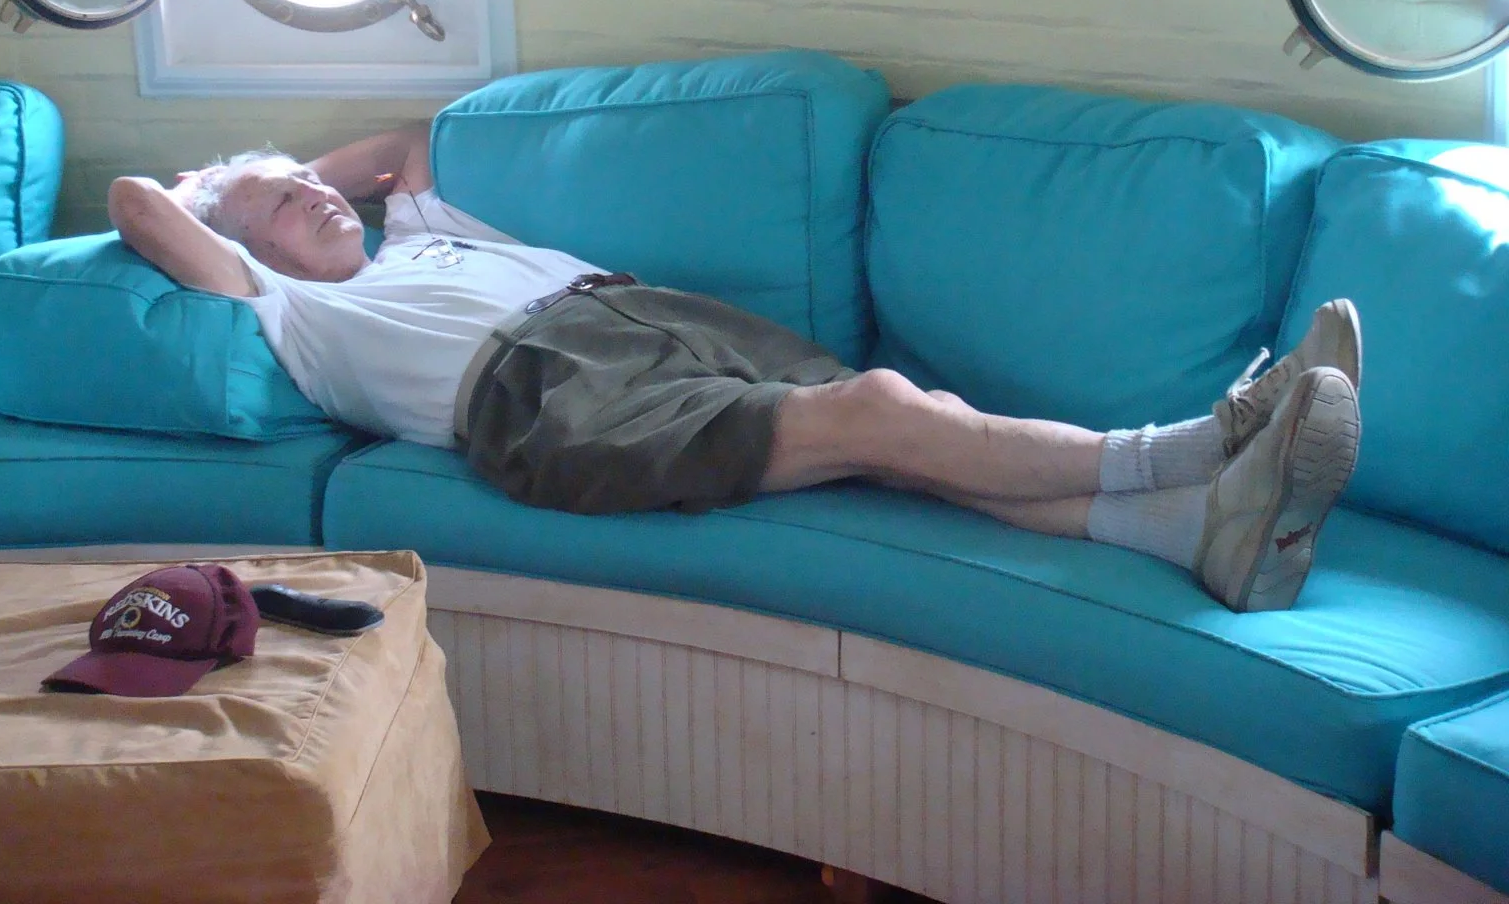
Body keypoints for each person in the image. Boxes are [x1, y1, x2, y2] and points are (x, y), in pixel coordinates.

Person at [107, 124, 1363, 615]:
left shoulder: (419, 232)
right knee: (878, 409)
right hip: (548, 397)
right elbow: (134, 206)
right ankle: (1208, 440)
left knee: (904, 431)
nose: (316, 200)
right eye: (284, 204)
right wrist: (217, 192)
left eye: (311, 186)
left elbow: (402, 140)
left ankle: (1193, 533)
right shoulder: (290, 311)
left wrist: (291, 175)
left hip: (643, 317)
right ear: (245, 248)